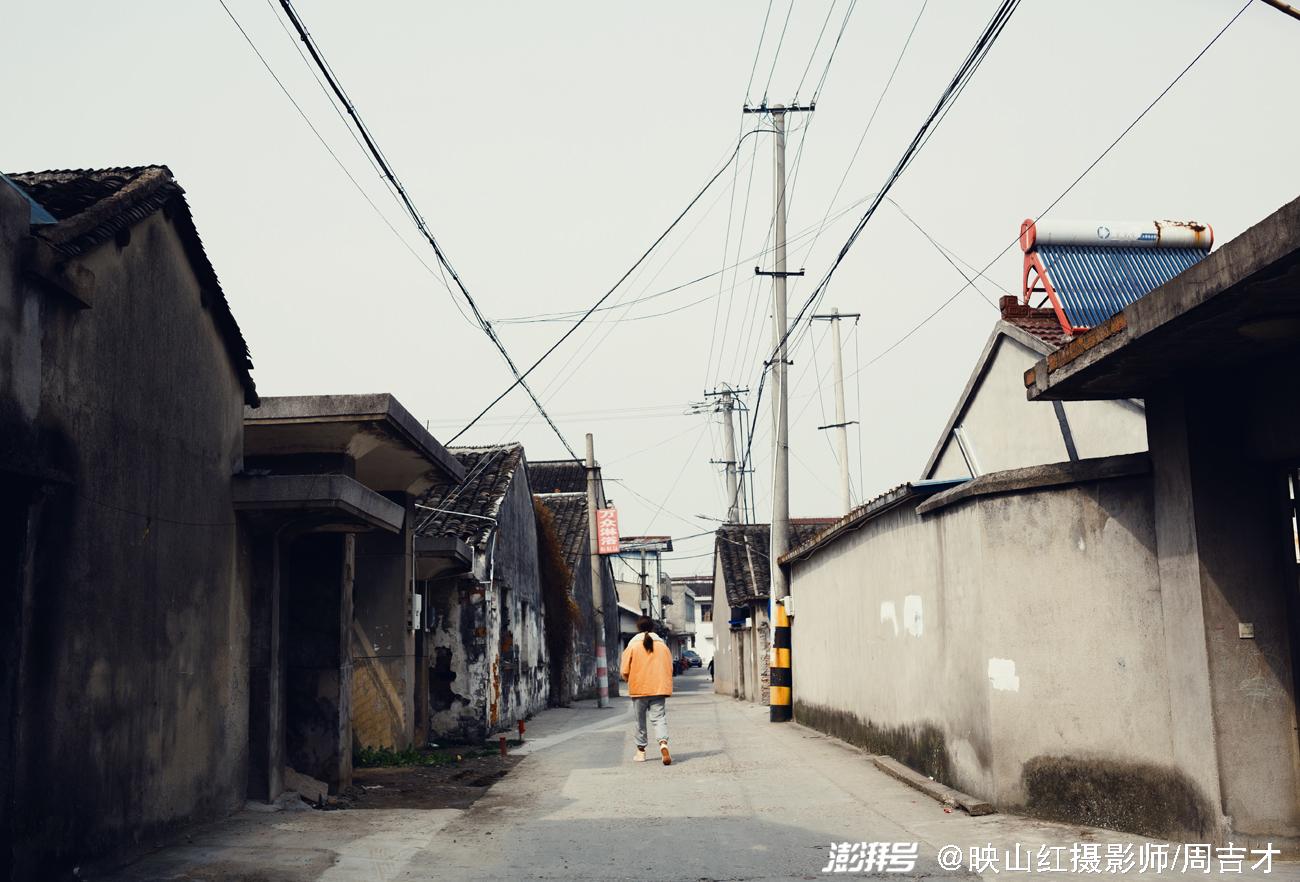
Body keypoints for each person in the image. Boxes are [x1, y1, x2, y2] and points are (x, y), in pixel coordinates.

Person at [620, 616, 673, 765]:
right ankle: (663, 743)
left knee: (640, 720)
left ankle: (641, 752)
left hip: (639, 689)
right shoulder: (663, 646)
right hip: (658, 688)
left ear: (638, 628)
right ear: (653, 628)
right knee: (659, 719)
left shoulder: (632, 646)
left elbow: (624, 669)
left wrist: (629, 679)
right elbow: (670, 667)